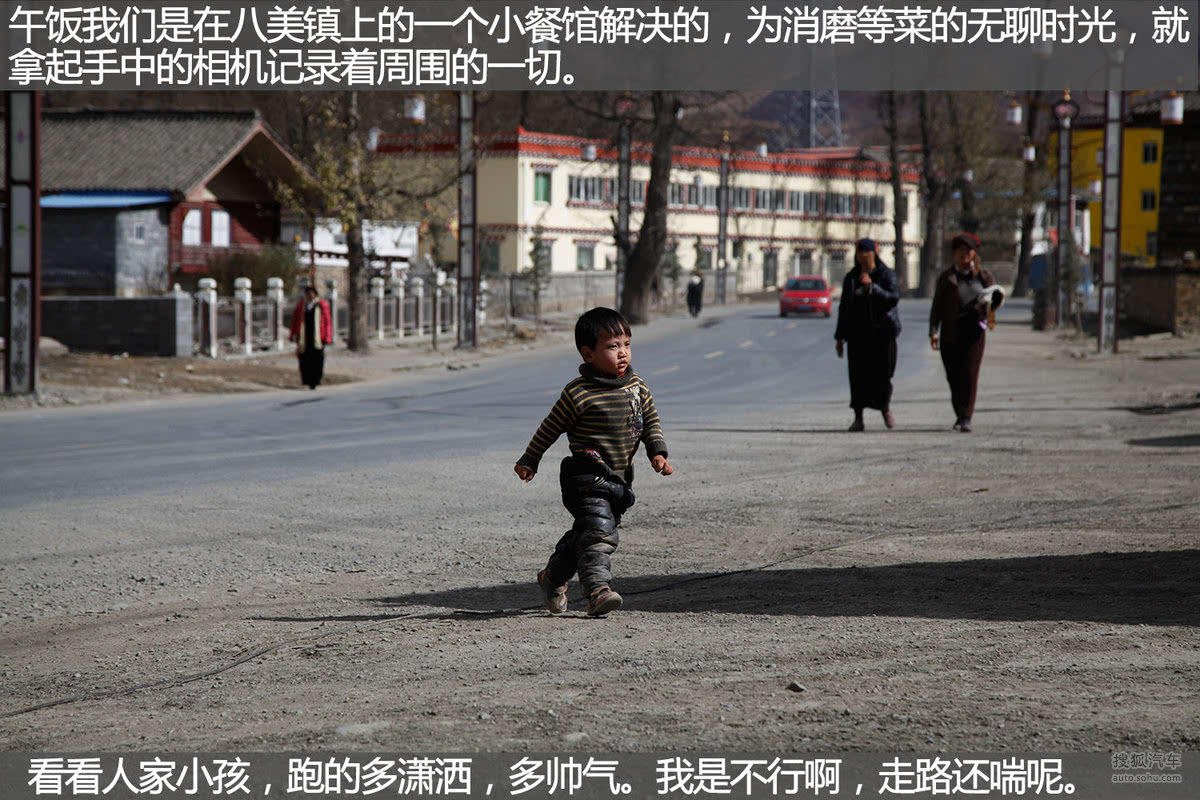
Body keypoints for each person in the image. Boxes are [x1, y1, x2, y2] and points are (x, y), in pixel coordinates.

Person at [514, 307, 674, 617]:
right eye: (612, 346)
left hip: (619, 479)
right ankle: (598, 591)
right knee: (600, 533)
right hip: (585, 476)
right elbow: (550, 428)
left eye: (626, 344)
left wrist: (657, 452)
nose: (622, 352)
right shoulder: (578, 393)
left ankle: (552, 578)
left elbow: (650, 423)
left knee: (587, 534)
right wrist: (530, 459)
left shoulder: (637, 387)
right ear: (588, 354)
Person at [929, 232, 1004, 433]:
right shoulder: (947, 278)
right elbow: (937, 307)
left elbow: (996, 301)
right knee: (953, 377)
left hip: (974, 334)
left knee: (970, 375)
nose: (965, 254)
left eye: (969, 250)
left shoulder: (984, 277)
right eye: (961, 250)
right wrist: (933, 331)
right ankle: (959, 414)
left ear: (974, 253)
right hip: (950, 333)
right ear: (954, 253)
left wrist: (986, 308)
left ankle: (966, 417)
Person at [834, 238, 902, 431]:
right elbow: (844, 308)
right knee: (857, 377)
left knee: (884, 375)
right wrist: (839, 337)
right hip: (858, 336)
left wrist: (873, 288)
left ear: (874, 254)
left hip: (883, 334)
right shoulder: (851, 277)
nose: (863, 257)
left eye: (866, 253)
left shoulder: (886, 274)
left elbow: (893, 298)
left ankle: (885, 408)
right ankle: (858, 418)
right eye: (860, 253)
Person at [289, 285, 333, 390]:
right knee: (304, 359)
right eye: (307, 294)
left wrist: (327, 337)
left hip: (318, 338)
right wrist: (293, 334)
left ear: (315, 294)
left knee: (317, 360)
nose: (309, 296)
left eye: (311, 294)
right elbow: (295, 320)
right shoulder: (302, 306)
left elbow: (327, 322)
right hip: (304, 338)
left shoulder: (321, 305)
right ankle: (306, 380)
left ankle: (316, 380)